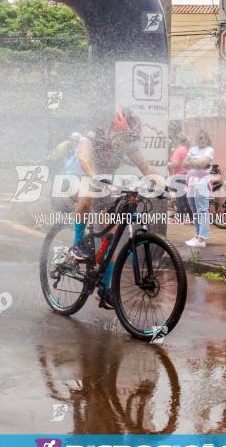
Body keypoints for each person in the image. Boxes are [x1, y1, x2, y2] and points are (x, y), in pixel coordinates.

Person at [69, 107, 161, 308]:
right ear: (114, 128)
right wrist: (94, 177)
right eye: (124, 137)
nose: (125, 142)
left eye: (129, 138)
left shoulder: (127, 142)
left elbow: (146, 168)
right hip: (81, 173)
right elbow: (83, 158)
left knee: (111, 234)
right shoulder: (94, 134)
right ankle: (78, 244)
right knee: (88, 192)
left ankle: (104, 287)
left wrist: (164, 184)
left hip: (105, 181)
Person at [182, 130, 215, 248]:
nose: (202, 140)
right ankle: (197, 235)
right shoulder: (192, 150)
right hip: (190, 182)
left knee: (202, 210)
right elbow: (184, 164)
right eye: (199, 138)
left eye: (204, 138)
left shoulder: (209, 150)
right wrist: (196, 163)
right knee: (194, 210)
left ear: (207, 139)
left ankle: (202, 239)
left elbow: (203, 164)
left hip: (202, 182)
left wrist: (192, 162)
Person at [168, 135, 192, 222]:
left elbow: (175, 164)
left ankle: (180, 218)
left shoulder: (179, 151)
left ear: (178, 141)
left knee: (181, 198)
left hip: (180, 176)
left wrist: (167, 165)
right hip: (189, 176)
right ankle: (192, 217)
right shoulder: (188, 150)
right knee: (186, 199)